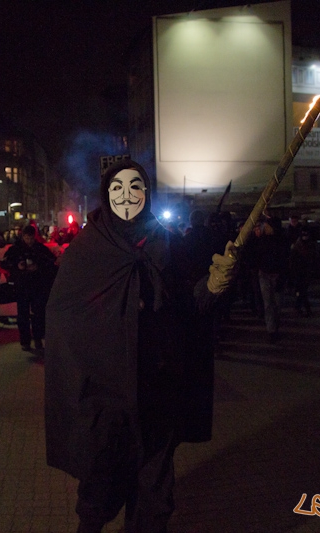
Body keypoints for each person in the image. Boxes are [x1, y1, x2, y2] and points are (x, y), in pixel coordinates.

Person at [44, 159, 236, 533]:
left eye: (135, 187)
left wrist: (212, 287)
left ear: (147, 194)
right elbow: (64, 315)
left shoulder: (166, 243)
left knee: (154, 491)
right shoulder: (87, 250)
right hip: (104, 395)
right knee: (100, 485)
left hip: (157, 391)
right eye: (117, 188)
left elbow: (186, 306)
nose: (126, 195)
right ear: (105, 195)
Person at [0, 225, 57, 350]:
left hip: (37, 286)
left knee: (38, 314)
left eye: (31, 238)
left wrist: (38, 267)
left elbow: (51, 262)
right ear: (23, 237)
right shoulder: (16, 249)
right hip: (22, 286)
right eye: (27, 238)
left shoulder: (40, 249)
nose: (29, 241)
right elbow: (4, 263)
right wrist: (17, 265)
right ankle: (25, 341)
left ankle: (37, 338)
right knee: (23, 315)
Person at [254, 216, 289, 342]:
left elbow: (285, 259)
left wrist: (283, 276)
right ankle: (271, 330)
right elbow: (257, 256)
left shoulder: (281, 241)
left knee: (277, 304)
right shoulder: (262, 240)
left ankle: (275, 326)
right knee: (268, 303)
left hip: (277, 274)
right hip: (264, 274)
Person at [289, 226, 319, 317]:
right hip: (299, 272)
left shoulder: (310, 245)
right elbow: (292, 260)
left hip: (306, 272)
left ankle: (300, 308)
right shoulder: (297, 246)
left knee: (302, 291)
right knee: (302, 291)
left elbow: (314, 258)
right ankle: (303, 309)